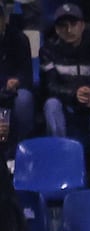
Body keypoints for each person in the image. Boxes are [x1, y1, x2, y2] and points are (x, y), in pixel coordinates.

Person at [40, 3, 90, 142]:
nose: (69, 29)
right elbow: (49, 87)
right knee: (51, 104)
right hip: (66, 104)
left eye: (73, 23)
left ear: (82, 25)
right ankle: (60, 150)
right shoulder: (48, 51)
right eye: (63, 25)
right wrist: (74, 94)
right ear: (57, 29)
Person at [0, 1, 35, 160]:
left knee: (24, 99)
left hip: (12, 91)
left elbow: (27, 74)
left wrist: (16, 81)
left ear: (3, 20)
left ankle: (21, 149)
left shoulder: (19, 39)